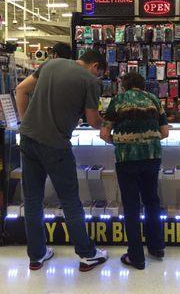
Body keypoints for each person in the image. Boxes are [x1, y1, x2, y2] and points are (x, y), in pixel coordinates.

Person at [16, 49, 108, 272]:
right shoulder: (90, 81)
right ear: (95, 66)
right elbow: (93, 120)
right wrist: (107, 122)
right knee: (70, 201)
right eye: (101, 73)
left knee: (32, 200)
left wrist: (25, 122)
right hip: (56, 145)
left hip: (28, 140)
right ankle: (87, 254)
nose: (99, 77)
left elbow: (21, 90)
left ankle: (37, 255)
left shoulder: (51, 64)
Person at [100, 72, 169, 270]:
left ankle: (136, 257)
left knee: (131, 206)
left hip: (126, 160)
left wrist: (121, 142)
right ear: (143, 85)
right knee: (152, 201)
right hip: (151, 158)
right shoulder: (154, 100)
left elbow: (104, 133)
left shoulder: (118, 101)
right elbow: (164, 132)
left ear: (124, 86)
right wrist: (147, 141)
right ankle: (157, 248)